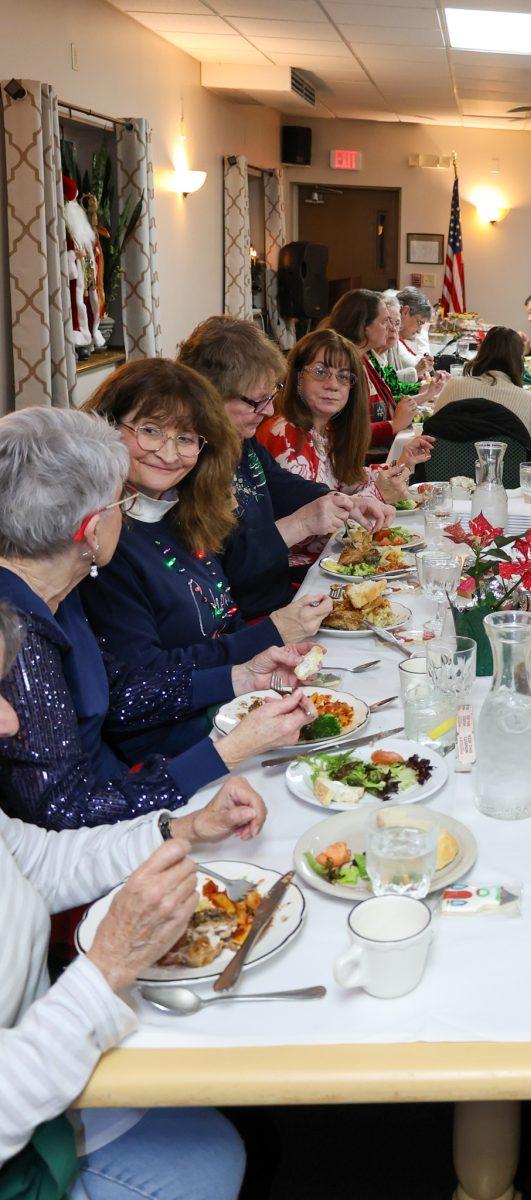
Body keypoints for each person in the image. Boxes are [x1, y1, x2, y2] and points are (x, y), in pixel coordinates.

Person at [0, 604, 261, 1197]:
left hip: (48, 1049)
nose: (12, 722)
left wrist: (182, 829)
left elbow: (37, 862)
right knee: (209, 1161)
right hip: (24, 1127)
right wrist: (107, 969)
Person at [0, 408, 319, 830]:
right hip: (110, 830)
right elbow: (68, 811)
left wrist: (242, 677)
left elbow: (117, 691)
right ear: (92, 531)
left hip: (128, 793)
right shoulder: (18, 636)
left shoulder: (55, 592)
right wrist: (226, 753)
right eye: (121, 501)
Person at [79, 360, 329, 751]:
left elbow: (223, 616)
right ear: (106, 428)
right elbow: (145, 678)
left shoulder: (184, 511)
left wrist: (264, 656)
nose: (168, 452)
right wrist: (269, 634)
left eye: (186, 438)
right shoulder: (104, 541)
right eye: (149, 431)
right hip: (173, 741)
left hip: (227, 703)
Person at [178, 315, 392, 618]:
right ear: (209, 394)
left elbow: (280, 483)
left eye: (270, 397)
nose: (267, 411)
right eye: (256, 401)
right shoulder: (185, 465)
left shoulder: (239, 439)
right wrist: (300, 524)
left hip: (277, 598)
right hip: (245, 617)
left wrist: (341, 501)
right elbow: (224, 570)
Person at [257, 329, 409, 568]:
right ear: (296, 377)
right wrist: (378, 493)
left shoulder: (325, 431)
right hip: (296, 575)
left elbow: (341, 483)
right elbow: (316, 534)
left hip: (327, 564)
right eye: (321, 372)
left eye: (343, 377)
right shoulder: (284, 433)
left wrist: (391, 472)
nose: (333, 385)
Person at [320, 289, 440, 452]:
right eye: (385, 321)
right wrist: (395, 424)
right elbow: (347, 434)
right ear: (364, 326)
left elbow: (383, 404)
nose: (391, 328)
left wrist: (417, 399)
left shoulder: (363, 359)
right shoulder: (344, 367)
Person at [432, 326, 531, 467]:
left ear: (480, 354)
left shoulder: (453, 386)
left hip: (452, 479)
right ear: (520, 360)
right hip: (513, 485)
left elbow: (432, 437)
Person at [391, 285, 434, 374]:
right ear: (405, 312)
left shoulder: (397, 336)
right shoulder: (389, 337)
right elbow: (417, 367)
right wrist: (424, 334)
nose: (419, 331)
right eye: (420, 322)